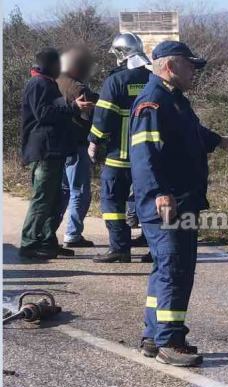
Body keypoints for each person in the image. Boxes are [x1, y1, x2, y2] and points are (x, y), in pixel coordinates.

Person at [130, 40, 228, 366]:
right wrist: (160, 192)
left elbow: (192, 134)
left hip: (182, 202)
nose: (194, 72)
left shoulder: (174, 101)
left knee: (165, 269)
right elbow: (144, 157)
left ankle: (153, 334)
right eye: (191, 66)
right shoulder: (152, 103)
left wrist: (219, 141)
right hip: (167, 204)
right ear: (171, 67)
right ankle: (170, 341)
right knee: (175, 269)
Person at [19, 48, 94, 259]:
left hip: (53, 150)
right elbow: (43, 113)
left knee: (54, 198)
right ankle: (30, 242)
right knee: (42, 198)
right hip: (44, 151)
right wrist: (73, 106)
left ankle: (46, 240)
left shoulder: (46, 83)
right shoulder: (38, 83)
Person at [88, 32, 151, 263]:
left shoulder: (116, 81)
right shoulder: (154, 79)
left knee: (112, 201)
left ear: (122, 54)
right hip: (150, 157)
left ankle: (120, 248)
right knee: (150, 201)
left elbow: (103, 119)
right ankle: (155, 250)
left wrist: (93, 142)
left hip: (119, 157)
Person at [57, 46, 99, 248]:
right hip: (77, 144)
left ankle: (49, 234)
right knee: (80, 191)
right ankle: (73, 234)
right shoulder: (79, 89)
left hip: (60, 145)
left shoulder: (56, 81)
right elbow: (92, 114)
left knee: (64, 190)